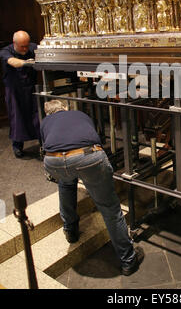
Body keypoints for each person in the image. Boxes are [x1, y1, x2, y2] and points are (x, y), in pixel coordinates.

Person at [40, 99, 144, 276]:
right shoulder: (78, 114)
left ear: (49, 113)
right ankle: (128, 260)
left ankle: (71, 231)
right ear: (66, 108)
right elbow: (91, 135)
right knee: (109, 207)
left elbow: (49, 144)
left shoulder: (45, 122)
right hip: (86, 156)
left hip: (53, 161)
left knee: (65, 183)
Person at [0, 31, 40, 158]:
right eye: (22, 46)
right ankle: (17, 146)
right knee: (17, 117)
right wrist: (29, 62)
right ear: (14, 43)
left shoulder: (33, 47)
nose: (25, 48)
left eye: (27, 45)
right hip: (14, 90)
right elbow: (13, 62)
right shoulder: (6, 51)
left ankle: (43, 143)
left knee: (37, 116)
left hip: (31, 88)